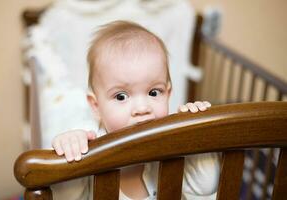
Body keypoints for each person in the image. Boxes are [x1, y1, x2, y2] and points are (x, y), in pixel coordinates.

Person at [51, 21, 220, 200]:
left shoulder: (171, 146)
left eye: (154, 92)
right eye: (121, 96)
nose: (142, 109)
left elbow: (206, 185)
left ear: (168, 94)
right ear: (96, 106)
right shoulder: (91, 154)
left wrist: (196, 136)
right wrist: (70, 152)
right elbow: (63, 196)